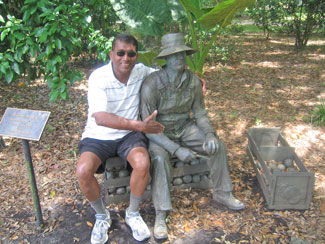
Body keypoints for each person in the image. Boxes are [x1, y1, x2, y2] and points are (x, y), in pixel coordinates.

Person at [140, 33, 245, 240]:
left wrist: (209, 134)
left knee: (217, 146)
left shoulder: (192, 81)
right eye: (174, 55)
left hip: (185, 126)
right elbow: (147, 127)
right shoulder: (152, 84)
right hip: (159, 130)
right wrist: (176, 149)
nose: (179, 58)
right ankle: (161, 213)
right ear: (166, 59)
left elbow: (199, 112)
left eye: (183, 54)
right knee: (160, 158)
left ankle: (222, 192)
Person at [77, 34, 165, 244]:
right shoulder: (99, 77)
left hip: (128, 136)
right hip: (99, 136)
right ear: (112, 54)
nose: (126, 58)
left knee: (143, 163)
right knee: (83, 170)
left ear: (136, 55)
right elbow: (100, 117)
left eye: (131, 53)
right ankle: (101, 215)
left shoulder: (141, 71)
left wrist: (194, 79)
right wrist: (139, 125)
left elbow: (167, 76)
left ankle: (133, 213)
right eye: (121, 53)